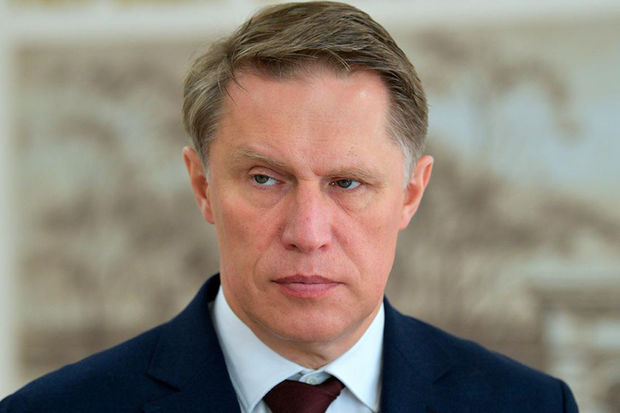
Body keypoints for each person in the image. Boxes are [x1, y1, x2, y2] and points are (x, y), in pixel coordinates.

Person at [1, 2, 578, 412]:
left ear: (410, 194)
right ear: (202, 186)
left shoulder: (532, 405)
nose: (308, 232)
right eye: (264, 178)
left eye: (347, 183)